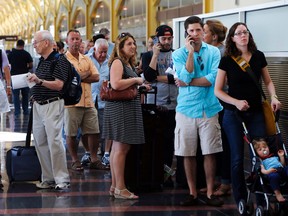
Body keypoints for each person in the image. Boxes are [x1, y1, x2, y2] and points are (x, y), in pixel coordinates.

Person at [214, 22, 281, 208]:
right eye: (238, 33)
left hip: (256, 113)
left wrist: (274, 97)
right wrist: (235, 102)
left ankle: (261, 198)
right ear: (232, 38)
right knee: (237, 158)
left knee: (261, 155)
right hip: (233, 115)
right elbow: (218, 90)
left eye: (245, 32)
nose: (243, 35)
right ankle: (241, 197)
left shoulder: (258, 56)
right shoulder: (227, 60)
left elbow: (268, 82)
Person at [172, 15, 223, 207]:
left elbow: (212, 78)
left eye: (198, 30)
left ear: (203, 30)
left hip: (209, 108)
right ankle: (192, 192)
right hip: (186, 109)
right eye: (191, 31)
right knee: (187, 152)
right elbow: (184, 74)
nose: (195, 34)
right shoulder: (178, 54)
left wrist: (188, 82)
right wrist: (190, 53)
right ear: (187, 33)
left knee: (210, 151)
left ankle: (210, 192)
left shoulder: (214, 52)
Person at [102, 32, 149, 199]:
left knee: (118, 148)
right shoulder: (118, 62)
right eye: (129, 44)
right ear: (120, 47)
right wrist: (136, 81)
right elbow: (115, 84)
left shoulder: (127, 63)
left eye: (134, 43)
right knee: (121, 149)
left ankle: (115, 186)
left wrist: (140, 86)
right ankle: (121, 188)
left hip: (124, 108)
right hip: (120, 109)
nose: (133, 47)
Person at [27, 30, 70, 190]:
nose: (34, 45)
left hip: (52, 104)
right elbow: (40, 83)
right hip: (38, 105)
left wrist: (39, 81)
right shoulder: (41, 61)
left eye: (36, 42)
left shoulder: (60, 60)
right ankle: (48, 178)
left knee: (55, 142)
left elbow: (59, 85)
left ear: (46, 43)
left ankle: (62, 179)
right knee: (40, 142)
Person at [64, 29, 108, 171]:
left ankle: (94, 158)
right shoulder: (63, 60)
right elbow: (66, 80)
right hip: (71, 103)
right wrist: (83, 75)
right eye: (73, 39)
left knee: (94, 131)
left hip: (89, 102)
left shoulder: (86, 58)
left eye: (78, 39)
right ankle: (75, 160)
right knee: (71, 133)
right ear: (67, 42)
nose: (76, 41)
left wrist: (78, 76)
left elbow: (96, 77)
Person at [142, 25, 177, 187]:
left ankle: (167, 172)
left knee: (170, 142)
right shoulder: (148, 55)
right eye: (164, 39)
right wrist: (155, 55)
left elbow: (178, 78)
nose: (167, 42)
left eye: (170, 39)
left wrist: (160, 77)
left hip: (175, 104)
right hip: (155, 104)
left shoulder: (177, 54)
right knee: (155, 140)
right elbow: (149, 77)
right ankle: (153, 172)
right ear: (157, 40)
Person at [203, 19, 231, 196]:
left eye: (204, 31)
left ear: (213, 36)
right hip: (214, 103)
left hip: (223, 103)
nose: (201, 34)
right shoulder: (213, 51)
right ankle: (217, 182)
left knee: (224, 144)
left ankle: (226, 183)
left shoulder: (221, 53)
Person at [88, 38, 112, 166]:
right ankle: (92, 154)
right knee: (92, 130)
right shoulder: (87, 59)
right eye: (100, 52)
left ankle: (106, 153)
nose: (103, 55)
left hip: (105, 100)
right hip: (90, 99)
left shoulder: (111, 61)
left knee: (106, 127)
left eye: (105, 52)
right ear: (94, 49)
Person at [253, 138, 288, 202]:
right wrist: (268, 171)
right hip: (271, 172)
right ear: (257, 153)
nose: (264, 149)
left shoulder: (274, 156)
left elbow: (283, 165)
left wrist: (281, 156)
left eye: (265, 147)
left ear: (268, 147)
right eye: (260, 149)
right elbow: (262, 170)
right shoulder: (261, 161)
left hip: (281, 170)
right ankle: (278, 193)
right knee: (273, 176)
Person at [8, 39, 33, 117]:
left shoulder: (11, 54)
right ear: (23, 45)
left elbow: (7, 66)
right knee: (25, 95)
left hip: (14, 77)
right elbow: (31, 65)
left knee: (16, 96)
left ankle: (17, 113)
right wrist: (26, 67)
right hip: (24, 77)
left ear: (16, 44)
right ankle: (25, 111)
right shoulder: (26, 54)